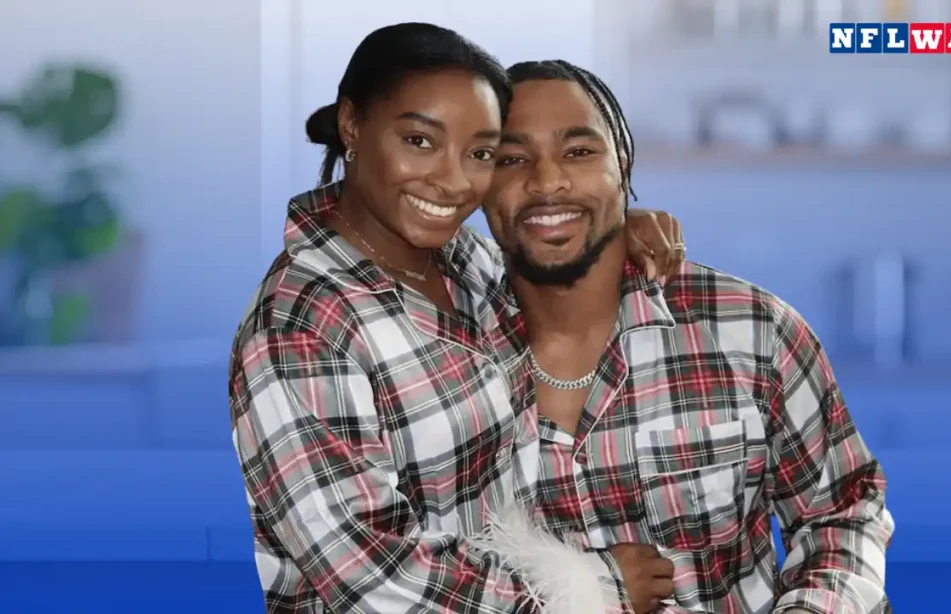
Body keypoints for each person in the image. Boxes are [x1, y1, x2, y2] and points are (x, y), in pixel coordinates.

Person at [229, 23, 687, 614]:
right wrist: (596, 587)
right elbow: (376, 576)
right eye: (420, 141)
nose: (451, 180)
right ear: (352, 125)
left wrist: (612, 225)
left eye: (479, 154)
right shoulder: (300, 328)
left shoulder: (457, 260)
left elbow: (546, 277)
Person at [477, 59, 896, 614]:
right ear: (477, 182)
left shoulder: (751, 330)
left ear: (622, 164)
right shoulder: (438, 358)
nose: (548, 180)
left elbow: (842, 511)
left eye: (579, 152)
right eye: (511, 158)